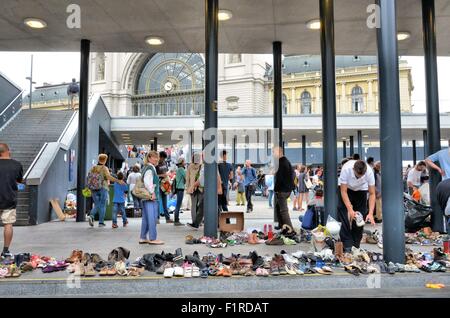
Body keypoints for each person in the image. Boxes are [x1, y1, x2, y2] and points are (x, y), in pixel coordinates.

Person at [338, 159, 376, 252]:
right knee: (343, 213)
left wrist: (370, 213)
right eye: (357, 176)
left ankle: (356, 245)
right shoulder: (346, 169)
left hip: (361, 190)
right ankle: (347, 244)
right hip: (347, 189)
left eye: (361, 176)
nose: (358, 178)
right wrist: (350, 210)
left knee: (360, 217)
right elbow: (343, 191)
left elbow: (372, 193)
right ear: (353, 169)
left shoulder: (369, 172)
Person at [88, 154, 125, 227]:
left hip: (93, 188)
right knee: (102, 205)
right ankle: (100, 222)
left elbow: (89, 177)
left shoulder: (93, 168)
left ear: (99, 159)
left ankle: (91, 216)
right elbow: (108, 177)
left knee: (97, 204)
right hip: (103, 187)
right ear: (105, 160)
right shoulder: (104, 168)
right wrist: (117, 180)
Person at [0, 143, 23, 258]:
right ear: (8, 151)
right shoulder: (16, 165)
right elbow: (19, 181)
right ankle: (5, 251)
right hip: (9, 199)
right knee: (8, 224)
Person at [187, 163, 222, 230]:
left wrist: (219, 187)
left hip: (211, 189)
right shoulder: (205, 166)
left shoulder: (211, 165)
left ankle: (218, 224)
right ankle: (196, 224)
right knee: (203, 206)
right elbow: (201, 179)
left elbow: (217, 177)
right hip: (207, 188)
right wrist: (193, 186)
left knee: (212, 207)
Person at [140, 151, 164, 245]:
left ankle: (143, 237)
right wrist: (152, 193)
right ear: (149, 158)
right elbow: (147, 182)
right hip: (150, 196)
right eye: (154, 157)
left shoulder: (146, 167)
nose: (156, 159)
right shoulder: (150, 168)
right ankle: (153, 238)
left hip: (145, 196)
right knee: (152, 217)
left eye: (157, 157)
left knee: (146, 217)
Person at [273, 147, 295, 230]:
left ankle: (290, 229)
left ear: (279, 152)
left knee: (283, 211)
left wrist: (277, 190)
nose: (273, 154)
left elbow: (280, 178)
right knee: (278, 207)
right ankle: (281, 225)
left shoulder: (281, 162)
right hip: (287, 189)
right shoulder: (286, 161)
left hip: (282, 190)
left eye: (274, 152)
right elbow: (292, 175)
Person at [156, 151, 173, 223]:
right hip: (158, 184)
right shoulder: (156, 164)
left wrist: (167, 175)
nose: (163, 160)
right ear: (160, 157)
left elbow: (165, 171)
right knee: (157, 201)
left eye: (164, 159)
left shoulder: (164, 163)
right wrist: (161, 175)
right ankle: (157, 218)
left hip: (165, 183)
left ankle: (167, 218)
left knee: (165, 201)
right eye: (162, 158)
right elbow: (154, 175)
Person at [186, 152, 202, 223]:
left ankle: (194, 221)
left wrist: (188, 187)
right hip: (200, 187)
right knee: (200, 204)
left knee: (193, 205)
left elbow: (187, 178)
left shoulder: (190, 166)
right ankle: (199, 221)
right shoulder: (202, 166)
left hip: (192, 188)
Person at [173, 157, 186, 226]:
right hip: (180, 188)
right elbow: (186, 176)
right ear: (182, 162)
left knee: (178, 204)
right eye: (184, 161)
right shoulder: (181, 169)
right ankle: (176, 220)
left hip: (178, 188)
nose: (185, 163)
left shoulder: (178, 169)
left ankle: (176, 219)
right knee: (178, 205)